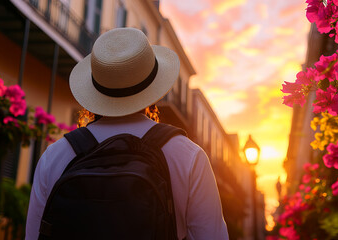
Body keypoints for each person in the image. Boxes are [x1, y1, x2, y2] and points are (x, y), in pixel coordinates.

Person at [25, 27, 229, 240]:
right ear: (153, 92)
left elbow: (33, 236)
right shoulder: (188, 156)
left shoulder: (54, 156)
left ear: (94, 91)